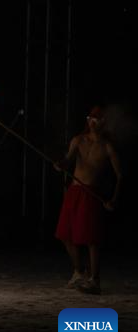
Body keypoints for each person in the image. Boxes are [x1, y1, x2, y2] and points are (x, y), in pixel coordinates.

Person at [54, 107, 123, 295]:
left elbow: (120, 175)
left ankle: (95, 280)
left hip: (92, 193)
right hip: (75, 191)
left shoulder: (108, 146)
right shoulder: (78, 140)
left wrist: (114, 199)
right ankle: (79, 272)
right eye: (91, 118)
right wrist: (61, 165)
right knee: (64, 234)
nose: (93, 122)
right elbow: (68, 160)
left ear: (103, 123)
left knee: (92, 239)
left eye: (97, 119)